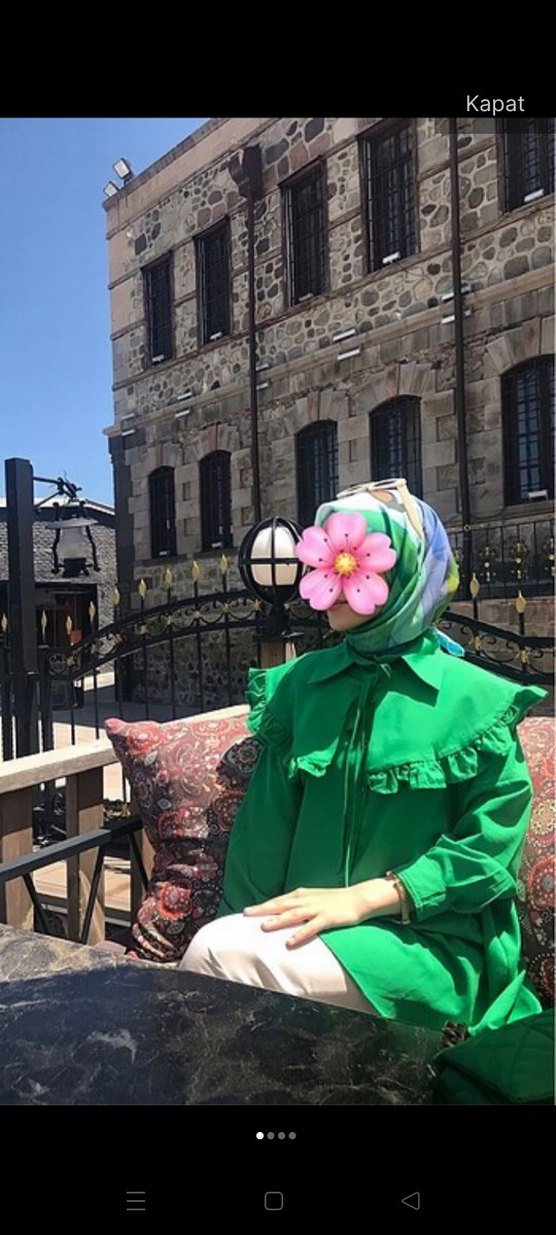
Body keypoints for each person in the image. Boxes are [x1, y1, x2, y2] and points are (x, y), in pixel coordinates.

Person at [180, 479, 546, 1035]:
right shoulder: (300, 686)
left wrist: (371, 898)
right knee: (219, 952)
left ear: (404, 574)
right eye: (323, 557)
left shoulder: (476, 701)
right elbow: (262, 836)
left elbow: (489, 850)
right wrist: (243, 922)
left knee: (216, 956)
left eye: (351, 558)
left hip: (430, 947)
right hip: (303, 937)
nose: (330, 575)